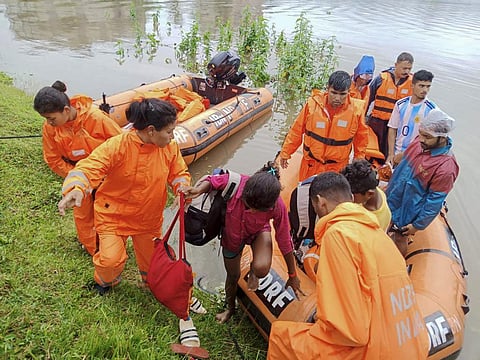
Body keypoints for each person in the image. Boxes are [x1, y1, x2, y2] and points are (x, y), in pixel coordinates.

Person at [267, 172, 429, 360]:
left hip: (376, 350)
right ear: (351, 198)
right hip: (414, 344)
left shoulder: (337, 235)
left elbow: (351, 331)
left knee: (282, 337)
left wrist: (322, 319)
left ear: (320, 202)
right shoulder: (379, 234)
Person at [57, 98, 191, 294]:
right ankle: (105, 282)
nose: (172, 137)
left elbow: (179, 174)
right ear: (151, 130)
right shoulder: (117, 145)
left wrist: (183, 189)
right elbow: (89, 167)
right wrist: (76, 187)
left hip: (148, 219)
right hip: (114, 216)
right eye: (169, 132)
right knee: (110, 260)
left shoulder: (170, 148)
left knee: (153, 263)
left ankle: (151, 284)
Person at [184, 162, 302, 323]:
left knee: (261, 268)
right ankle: (230, 308)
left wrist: (292, 274)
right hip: (232, 237)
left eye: (257, 210)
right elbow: (213, 181)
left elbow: (284, 240)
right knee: (232, 276)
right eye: (248, 205)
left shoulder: (277, 205)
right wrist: (197, 190)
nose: (251, 211)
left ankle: (254, 271)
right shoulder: (237, 183)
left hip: (259, 232)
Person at [34, 81, 122, 255]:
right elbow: (53, 159)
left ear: (66, 110)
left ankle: (110, 246)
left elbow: (121, 146)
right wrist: (77, 176)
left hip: (105, 174)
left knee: (107, 211)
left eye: (52, 118)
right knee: (82, 214)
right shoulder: (50, 128)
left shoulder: (96, 118)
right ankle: (91, 247)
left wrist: (103, 175)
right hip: (77, 176)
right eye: (46, 119)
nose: (49, 123)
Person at [386, 108, 459, 256]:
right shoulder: (419, 143)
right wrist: (391, 160)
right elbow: (404, 157)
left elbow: (434, 202)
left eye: (427, 137)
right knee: (384, 224)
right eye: (421, 134)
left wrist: (417, 226)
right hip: (394, 194)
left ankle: (399, 265)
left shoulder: (446, 167)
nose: (422, 140)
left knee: (400, 237)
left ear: (442, 137)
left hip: (409, 207)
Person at [279, 70, 369, 182]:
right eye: (334, 93)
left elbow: (361, 139)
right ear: (328, 89)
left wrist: (358, 160)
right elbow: (297, 130)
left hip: (337, 168)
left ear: (348, 92)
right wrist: (286, 152)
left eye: (342, 94)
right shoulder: (312, 105)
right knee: (305, 196)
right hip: (311, 165)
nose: (337, 98)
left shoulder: (356, 111)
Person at [367, 52, 414, 158]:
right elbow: (367, 99)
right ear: (396, 65)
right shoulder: (381, 79)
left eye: (409, 69)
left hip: (397, 125)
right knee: (372, 149)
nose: (406, 71)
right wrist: (363, 118)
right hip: (377, 122)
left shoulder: (413, 83)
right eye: (404, 68)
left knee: (390, 152)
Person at [386, 69, 437, 166]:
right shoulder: (400, 104)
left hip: (416, 157)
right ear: (412, 86)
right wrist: (391, 154)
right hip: (397, 154)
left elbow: (431, 139)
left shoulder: (432, 110)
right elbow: (392, 129)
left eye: (428, 86)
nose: (425, 90)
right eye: (421, 86)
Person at [341, 159, 391, 231]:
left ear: (369, 194)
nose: (347, 198)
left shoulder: (368, 220)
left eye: (352, 195)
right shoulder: (376, 191)